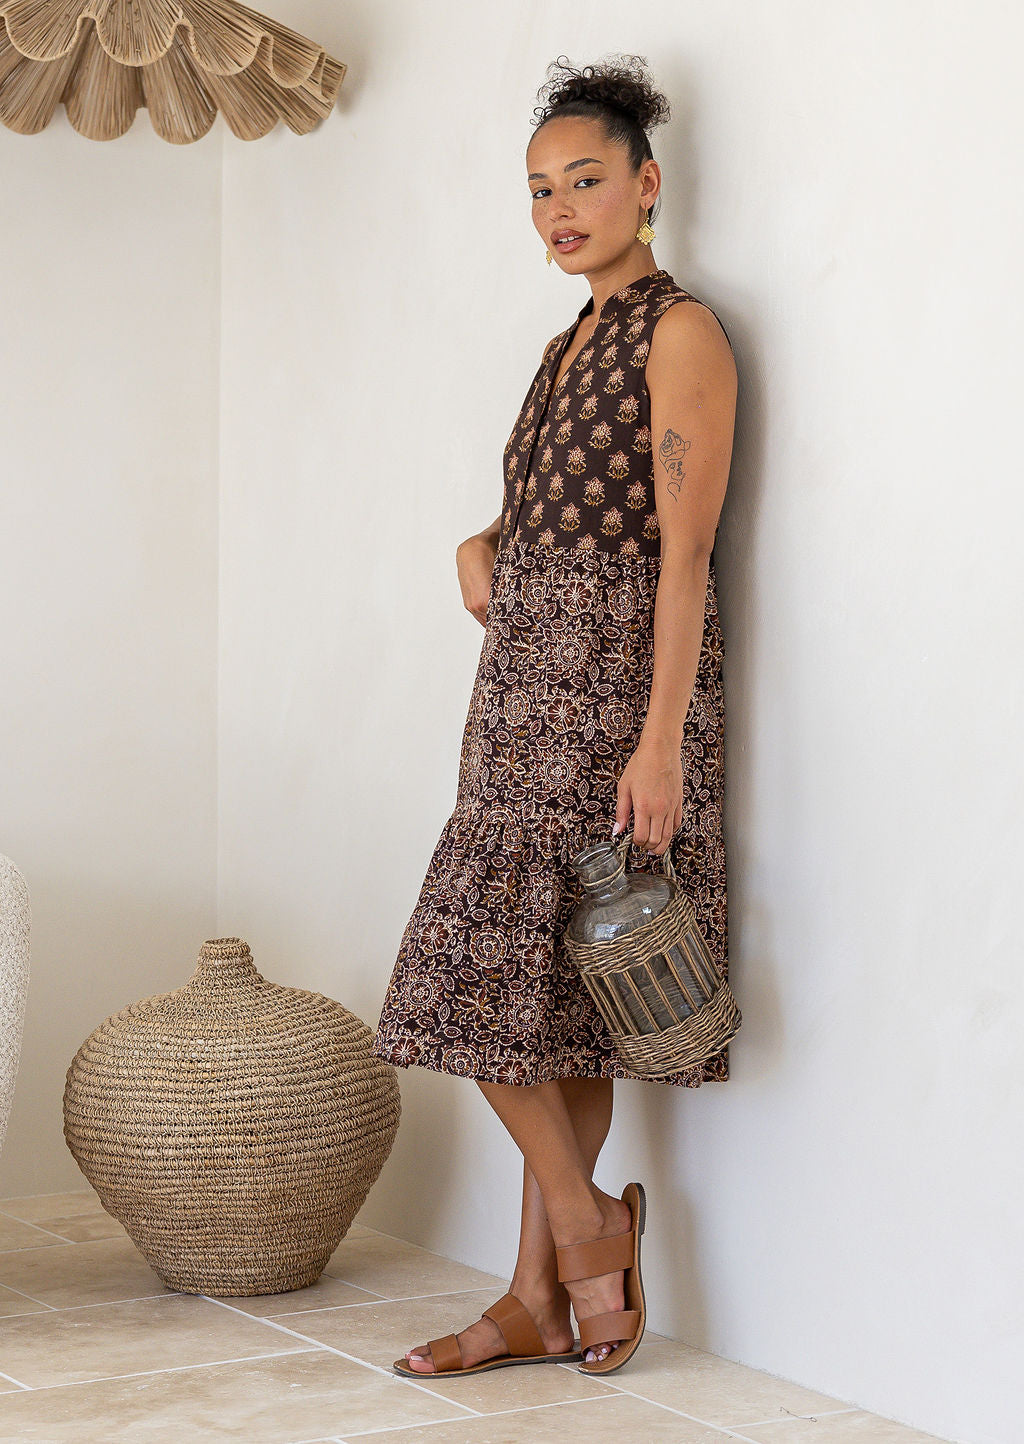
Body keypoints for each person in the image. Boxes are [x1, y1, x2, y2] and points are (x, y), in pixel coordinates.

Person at [373, 53, 737, 1378]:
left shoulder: (678, 331)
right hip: (516, 701)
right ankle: (555, 1270)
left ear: (647, 184)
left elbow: (684, 557)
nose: (560, 210)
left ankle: (574, 1250)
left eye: (586, 180)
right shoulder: (561, 342)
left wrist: (657, 742)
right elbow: (547, 517)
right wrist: (475, 544)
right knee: (529, 1001)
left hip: (612, 705)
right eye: (539, 191)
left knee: (525, 993)